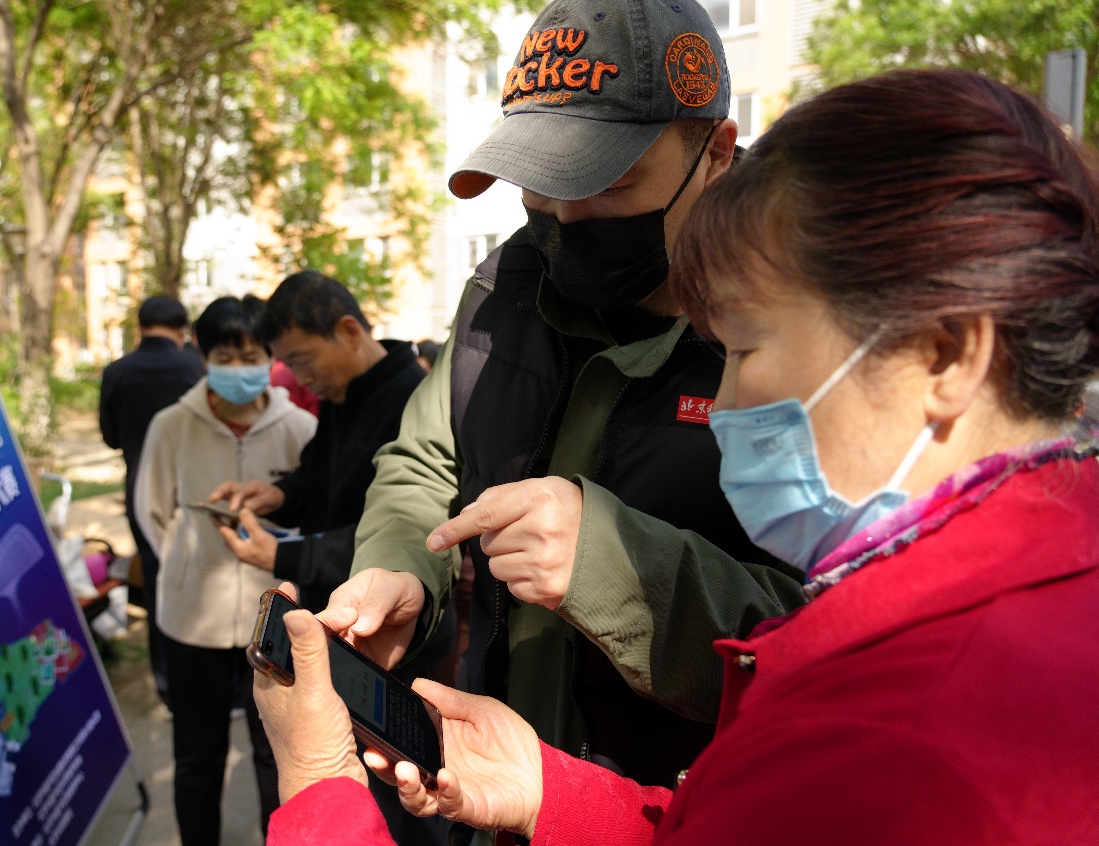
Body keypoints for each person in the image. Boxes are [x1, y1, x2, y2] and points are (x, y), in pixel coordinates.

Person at [255, 68, 1099, 845]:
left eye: (741, 347)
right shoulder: (499, 295)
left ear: (944, 355)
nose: (725, 406)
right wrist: (558, 794)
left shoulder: (897, 733)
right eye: (539, 188)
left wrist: (319, 785)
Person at [322, 0, 804, 807]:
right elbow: (426, 458)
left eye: (607, 183)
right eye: (538, 183)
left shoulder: (800, 328)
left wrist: (618, 568)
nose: (563, 218)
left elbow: (838, 635)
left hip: (678, 806)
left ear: (715, 153)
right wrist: (398, 565)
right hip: (493, 783)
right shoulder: (501, 288)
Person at [208, 270, 451, 845]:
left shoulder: (412, 400)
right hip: (343, 613)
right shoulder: (343, 397)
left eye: (305, 359)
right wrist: (278, 494)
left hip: (395, 622)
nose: (303, 378)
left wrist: (286, 553)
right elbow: (318, 476)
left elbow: (397, 527)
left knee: (406, 784)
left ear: (348, 330)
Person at [134, 294, 316, 844]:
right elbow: (153, 511)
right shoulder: (171, 426)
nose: (240, 369)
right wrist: (186, 565)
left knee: (276, 755)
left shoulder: (302, 428)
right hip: (192, 620)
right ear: (202, 354)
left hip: (277, 622)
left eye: (252, 355)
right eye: (226, 356)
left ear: (270, 355)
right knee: (197, 756)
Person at [98, 294, 207, 710]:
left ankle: (168, 683)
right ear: (182, 329)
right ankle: (213, 682)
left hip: (142, 490)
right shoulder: (197, 367)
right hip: (197, 489)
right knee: (204, 580)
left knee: (159, 581)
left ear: (140, 327)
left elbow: (110, 436)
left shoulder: (117, 371)